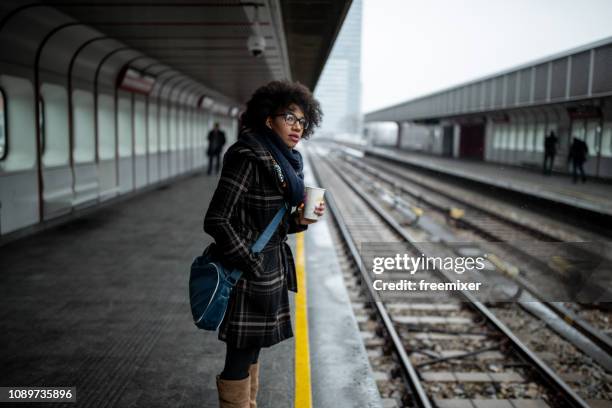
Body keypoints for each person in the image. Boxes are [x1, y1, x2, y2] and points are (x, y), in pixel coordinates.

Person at [204, 80, 325, 407]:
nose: (297, 126)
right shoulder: (249, 157)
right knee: (239, 359)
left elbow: (276, 227)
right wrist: (250, 262)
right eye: (289, 117)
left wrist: (300, 221)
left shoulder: (284, 162)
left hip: (268, 273)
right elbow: (216, 219)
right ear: (267, 119)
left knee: (251, 352)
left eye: (302, 120)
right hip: (250, 275)